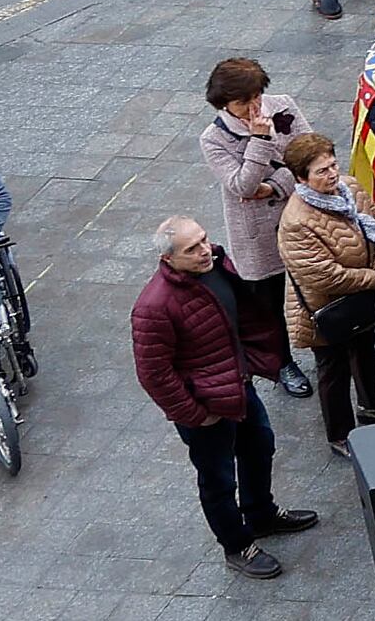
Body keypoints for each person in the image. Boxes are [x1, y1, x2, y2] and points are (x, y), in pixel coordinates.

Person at [130, 216, 318, 578]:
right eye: (192, 249)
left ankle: (261, 513)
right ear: (168, 259)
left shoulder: (216, 264)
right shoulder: (153, 307)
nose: (205, 251)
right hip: (205, 407)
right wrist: (196, 414)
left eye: (203, 240)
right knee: (217, 479)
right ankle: (237, 545)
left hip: (238, 386)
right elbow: (153, 374)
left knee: (260, 447)